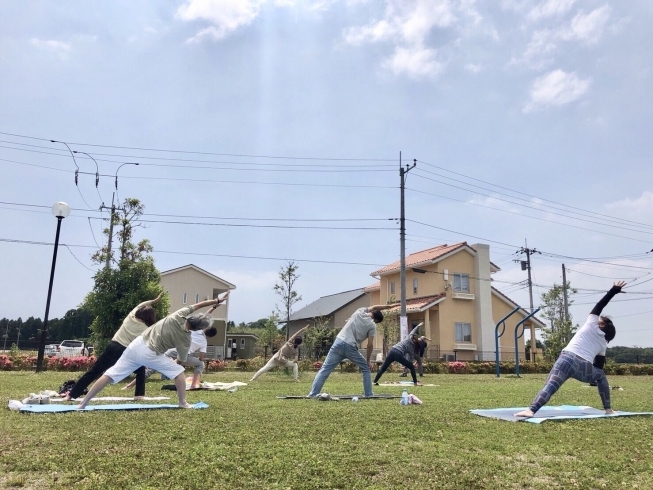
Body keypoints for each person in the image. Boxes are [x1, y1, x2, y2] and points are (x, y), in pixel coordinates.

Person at [76, 292, 229, 409]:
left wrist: (216, 301)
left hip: (136, 344)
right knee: (178, 371)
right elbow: (181, 360)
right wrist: (177, 362)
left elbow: (200, 305)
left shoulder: (179, 315)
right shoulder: (185, 339)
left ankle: (83, 404)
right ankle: (182, 402)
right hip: (150, 353)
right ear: (199, 329)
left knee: (110, 374)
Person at [515, 281, 625, 418]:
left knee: (551, 384)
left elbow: (600, 304)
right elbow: (599, 367)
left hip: (565, 359)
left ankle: (531, 410)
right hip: (583, 367)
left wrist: (613, 291)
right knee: (601, 375)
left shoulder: (591, 323)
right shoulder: (603, 344)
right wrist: (591, 378)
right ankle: (608, 409)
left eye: (600, 320)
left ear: (602, 324)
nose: (597, 319)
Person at [63, 293, 162, 401]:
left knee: (94, 371)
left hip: (113, 347)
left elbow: (140, 305)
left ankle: (71, 395)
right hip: (126, 351)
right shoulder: (145, 329)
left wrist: (154, 300)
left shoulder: (131, 316)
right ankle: (139, 395)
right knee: (140, 371)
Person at [308, 305, 392, 398]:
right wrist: (367, 360)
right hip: (350, 347)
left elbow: (374, 307)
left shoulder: (359, 311)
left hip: (338, 343)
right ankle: (368, 394)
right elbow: (370, 345)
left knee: (325, 369)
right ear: (376, 320)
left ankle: (313, 393)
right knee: (365, 368)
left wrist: (388, 306)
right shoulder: (372, 325)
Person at [122, 324, 218, 390]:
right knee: (200, 364)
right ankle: (193, 385)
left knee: (152, 368)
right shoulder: (204, 342)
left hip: (172, 351)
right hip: (183, 356)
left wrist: (213, 307)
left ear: (205, 329)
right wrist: (198, 359)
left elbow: (204, 317)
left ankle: (129, 386)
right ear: (210, 336)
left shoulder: (196, 330)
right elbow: (201, 358)